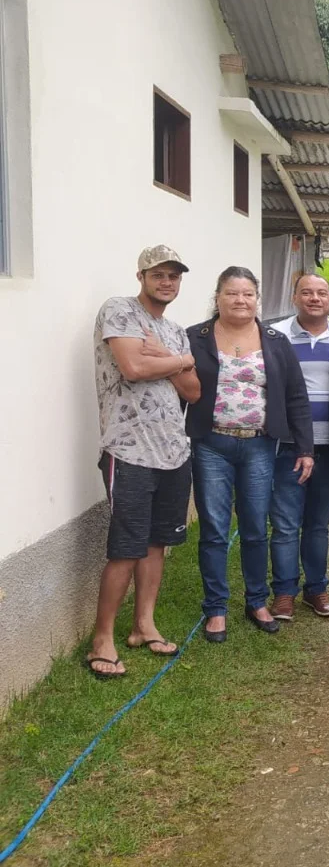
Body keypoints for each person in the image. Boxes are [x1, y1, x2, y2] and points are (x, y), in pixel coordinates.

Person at [86, 246, 200, 678]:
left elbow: (193, 391)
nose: (167, 281)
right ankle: (102, 639)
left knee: (157, 543)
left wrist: (169, 360)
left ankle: (143, 625)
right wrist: (180, 361)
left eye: (174, 275)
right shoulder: (119, 310)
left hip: (174, 450)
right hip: (129, 450)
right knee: (126, 547)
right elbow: (132, 367)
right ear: (141, 275)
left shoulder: (173, 330)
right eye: (159, 274)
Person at [187, 267, 313, 643]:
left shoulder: (275, 340)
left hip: (259, 445)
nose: (240, 300)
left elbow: (295, 397)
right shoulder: (195, 337)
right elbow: (179, 387)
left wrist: (305, 448)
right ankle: (216, 608)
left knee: (256, 526)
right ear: (218, 297)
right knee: (213, 528)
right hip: (211, 444)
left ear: (257, 299)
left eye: (247, 294)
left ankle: (257, 600)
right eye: (232, 294)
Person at [267, 274, 329, 621]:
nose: (314, 298)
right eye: (307, 292)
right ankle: (284, 593)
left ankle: (316, 589)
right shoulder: (276, 337)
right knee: (286, 523)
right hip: (288, 446)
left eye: (321, 293)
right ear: (295, 298)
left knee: (318, 523)